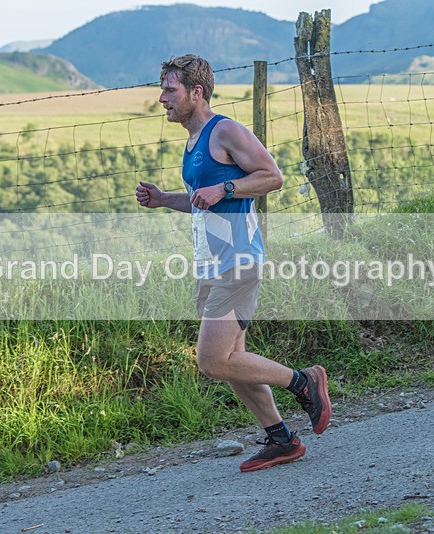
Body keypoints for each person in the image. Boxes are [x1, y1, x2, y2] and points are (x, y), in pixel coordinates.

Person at [136, 54, 331, 472]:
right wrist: (163, 199)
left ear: (197, 92)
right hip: (212, 263)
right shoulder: (192, 142)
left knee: (212, 361)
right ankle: (281, 440)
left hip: (239, 260)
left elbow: (271, 177)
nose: (162, 98)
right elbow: (203, 201)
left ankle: (305, 381)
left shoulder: (223, 130)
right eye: (163, 89)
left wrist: (225, 187)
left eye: (170, 90)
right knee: (233, 361)